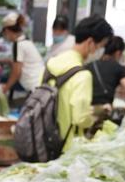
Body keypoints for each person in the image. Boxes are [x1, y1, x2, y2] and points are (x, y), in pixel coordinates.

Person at [44, 14, 113, 145]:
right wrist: (94, 116)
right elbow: (80, 118)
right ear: (90, 43)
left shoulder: (52, 63)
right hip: (65, 145)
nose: (100, 51)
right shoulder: (82, 75)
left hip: (45, 138)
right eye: (100, 46)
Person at [0, 11, 44, 94]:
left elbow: (16, 72)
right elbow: (16, 62)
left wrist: (6, 88)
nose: (6, 36)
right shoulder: (26, 40)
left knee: (0, 79)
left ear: (7, 31)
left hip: (32, 84)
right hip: (40, 80)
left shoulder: (18, 45)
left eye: (5, 33)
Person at [87, 36, 125, 107]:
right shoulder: (118, 68)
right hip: (103, 111)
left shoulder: (90, 65)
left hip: (85, 109)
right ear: (118, 53)